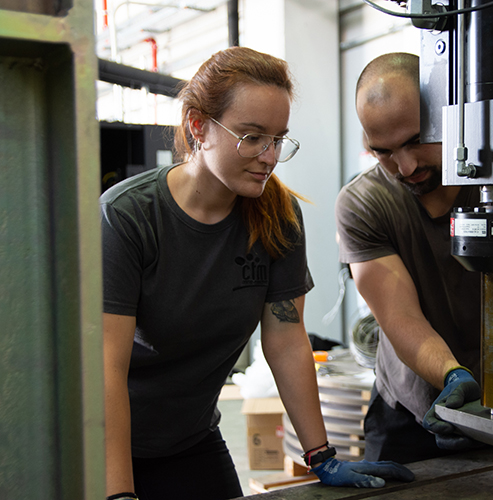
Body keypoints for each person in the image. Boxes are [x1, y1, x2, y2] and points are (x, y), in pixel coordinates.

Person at [101, 46, 414, 500]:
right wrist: (119, 494)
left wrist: (320, 455)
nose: (269, 156)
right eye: (251, 137)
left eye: (278, 138)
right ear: (197, 126)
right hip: (100, 445)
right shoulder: (127, 218)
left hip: (189, 441)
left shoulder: (277, 215)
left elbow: (286, 341)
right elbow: (106, 369)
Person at [335, 52, 493, 472]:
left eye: (416, 141)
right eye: (384, 152)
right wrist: (451, 375)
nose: (406, 166)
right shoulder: (363, 203)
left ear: (452, 119)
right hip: (409, 412)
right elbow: (400, 317)